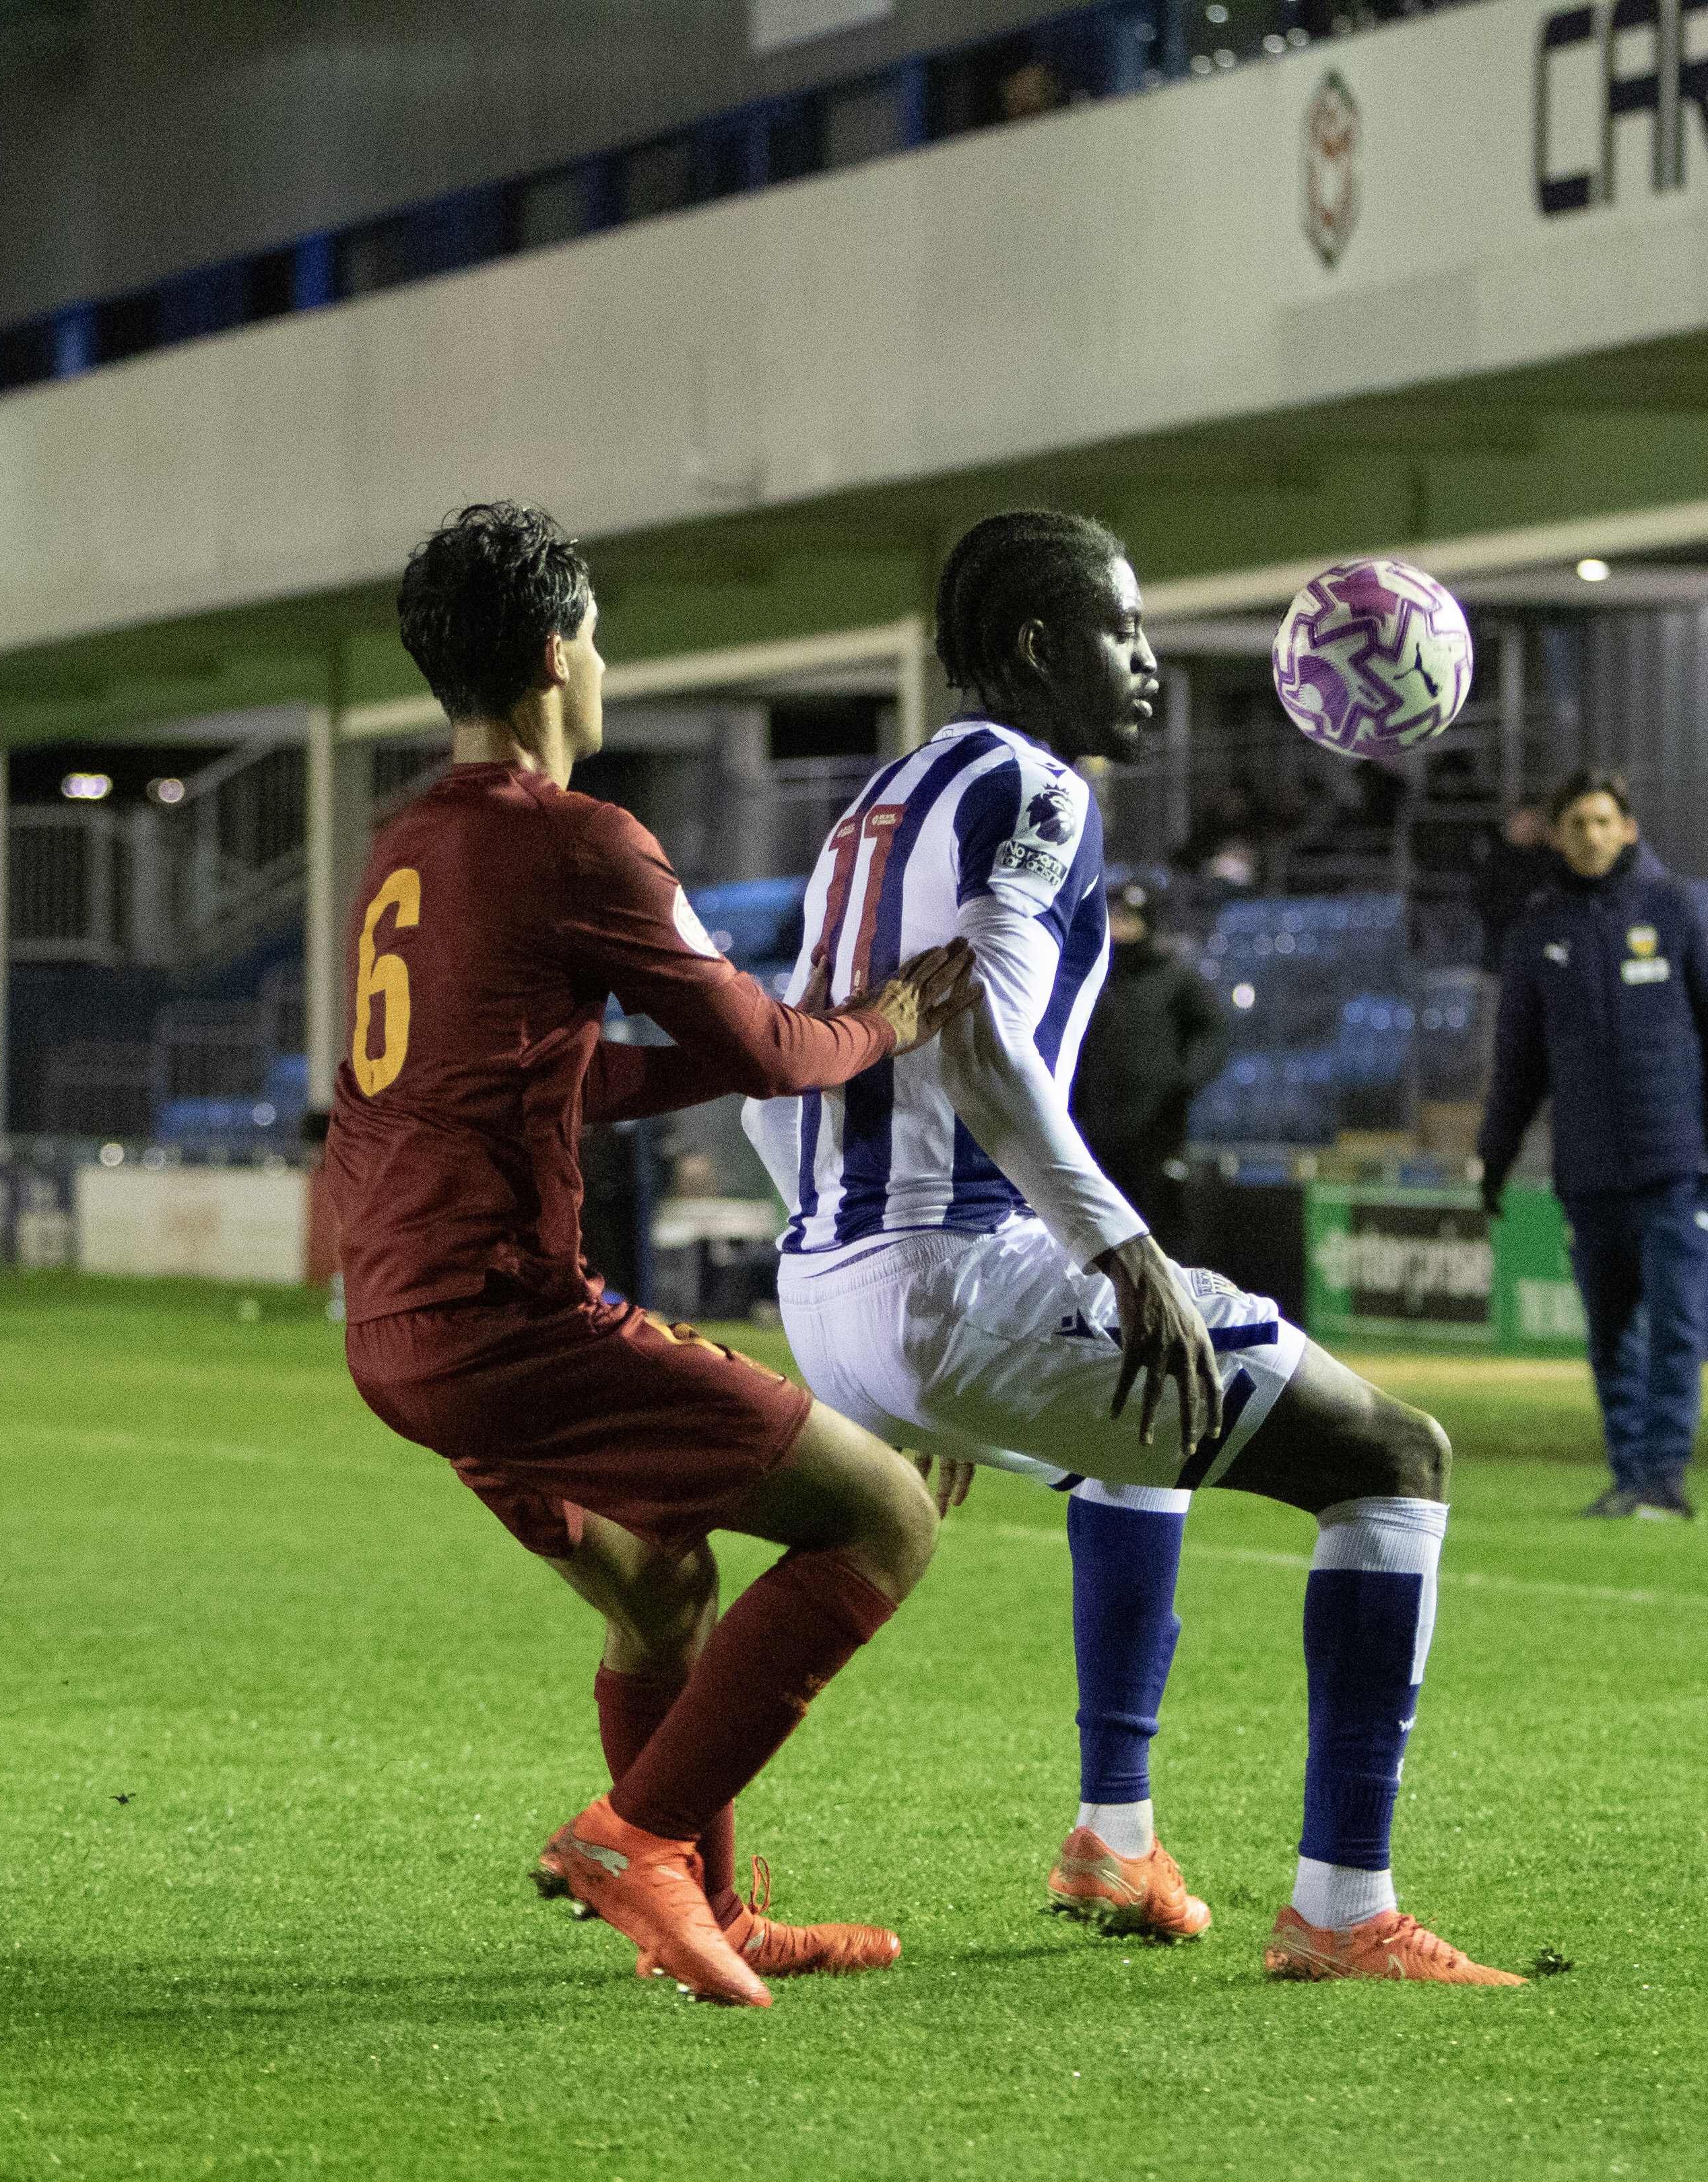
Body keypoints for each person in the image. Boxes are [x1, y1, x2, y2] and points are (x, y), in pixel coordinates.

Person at [743, 508, 1523, 1987]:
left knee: (1130, 1436)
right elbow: (975, 1035)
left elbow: (772, 1060)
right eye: (1123, 631)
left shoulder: (883, 802)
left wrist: (876, 1289)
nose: (1152, 664)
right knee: (1394, 1459)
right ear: (1040, 647)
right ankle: (1345, 1908)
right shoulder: (1034, 788)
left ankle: (1115, 1830)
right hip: (948, 1277)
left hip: (837, 1289)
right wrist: (1112, 1251)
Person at [326, 503, 984, 2010]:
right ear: (559, 655)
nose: (603, 660)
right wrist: (876, 1024)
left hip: (391, 1327)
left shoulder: (406, 846)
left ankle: (718, 1908)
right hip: (509, 1320)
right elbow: (762, 1037)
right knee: (882, 1515)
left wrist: (742, 1061)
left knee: (661, 1592)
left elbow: (572, 1081)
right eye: (600, 634)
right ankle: (639, 1838)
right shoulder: (579, 840)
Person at [1479, 771, 1708, 1521]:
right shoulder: (1538, 929)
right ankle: (1626, 1476)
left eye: (1602, 820)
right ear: (1556, 833)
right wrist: (1495, 1154)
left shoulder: (1677, 907)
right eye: (1575, 821)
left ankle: (1664, 1477)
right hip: (1587, 1168)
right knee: (1610, 1334)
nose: (1589, 834)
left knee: (1673, 1323)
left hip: (1675, 1159)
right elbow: (1517, 1061)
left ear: (1628, 828)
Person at [1070, 882, 1226, 1246]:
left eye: (1131, 919)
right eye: (1117, 918)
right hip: (1096, 1125)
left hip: (1157, 1128)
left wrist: (1185, 1082)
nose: (1122, 927)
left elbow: (1212, 1032)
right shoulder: (1093, 976)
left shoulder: (1174, 977)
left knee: (1160, 1224)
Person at [1470, 797, 1562, 971]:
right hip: (1503, 950)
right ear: (1513, 825)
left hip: (1541, 952)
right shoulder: (1495, 861)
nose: (1531, 827)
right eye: (1525, 821)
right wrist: (1522, 905)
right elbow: (1484, 903)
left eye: (1535, 822)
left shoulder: (1547, 860)